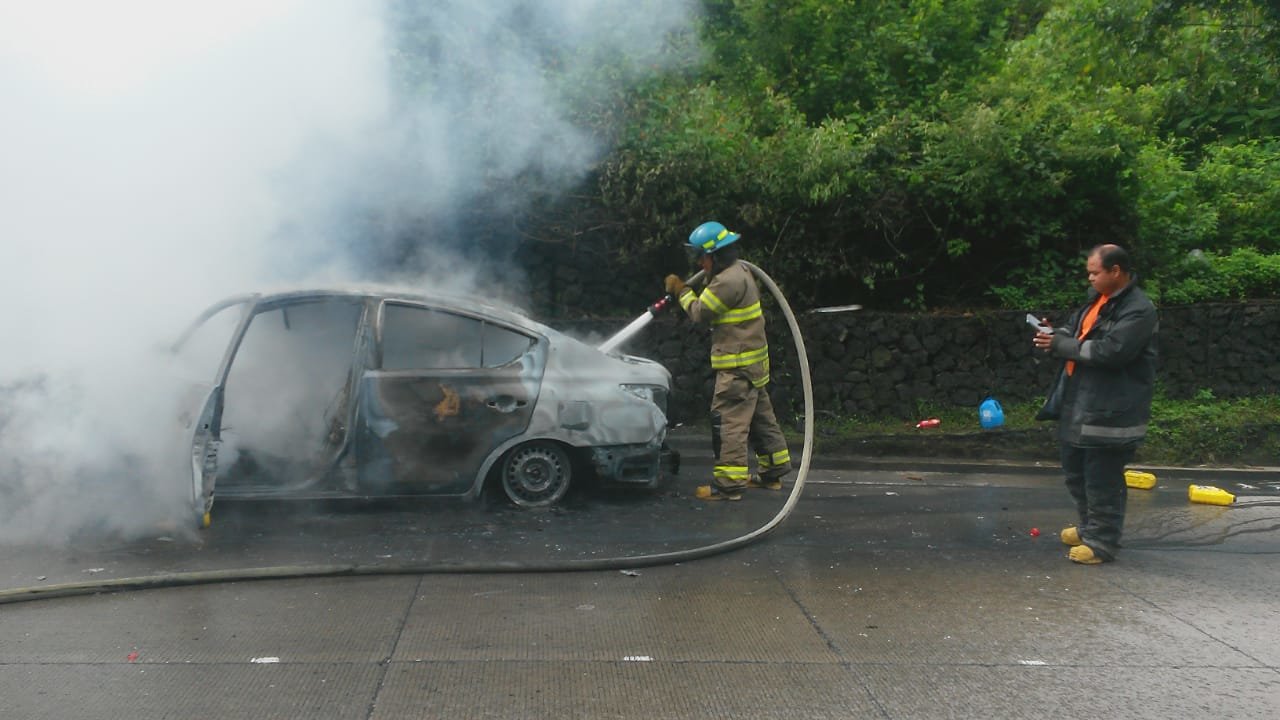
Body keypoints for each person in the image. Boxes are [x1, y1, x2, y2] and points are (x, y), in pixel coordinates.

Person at [1033, 244, 1158, 564]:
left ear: (1115, 271)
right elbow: (1075, 332)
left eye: (1094, 272)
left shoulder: (1138, 309)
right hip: (1079, 403)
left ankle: (1102, 542)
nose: (1089, 278)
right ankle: (1090, 526)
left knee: (1102, 477)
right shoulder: (1097, 302)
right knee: (1075, 472)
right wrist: (1054, 335)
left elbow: (1112, 352)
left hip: (1111, 410)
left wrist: (1063, 345)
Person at [665, 221, 792, 501]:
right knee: (761, 419)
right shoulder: (740, 271)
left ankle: (729, 486)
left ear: (714, 255)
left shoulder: (727, 281)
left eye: (701, 256)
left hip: (736, 368)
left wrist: (681, 291)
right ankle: (774, 471)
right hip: (753, 365)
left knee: (729, 423)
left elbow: (700, 312)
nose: (699, 262)